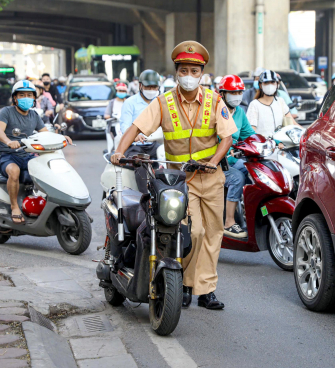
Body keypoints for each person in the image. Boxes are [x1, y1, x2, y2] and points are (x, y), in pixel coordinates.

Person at [112, 40, 237, 310]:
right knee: (194, 232)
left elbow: (227, 137)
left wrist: (214, 162)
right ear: (176, 72)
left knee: (214, 233)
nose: (189, 76)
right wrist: (119, 150)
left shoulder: (215, 101)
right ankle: (186, 284)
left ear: (201, 73)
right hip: (180, 181)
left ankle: (205, 291)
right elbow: (135, 127)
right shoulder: (163, 102)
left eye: (194, 71)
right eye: (184, 70)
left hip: (212, 178)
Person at [0, 80, 72, 224]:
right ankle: (15, 206)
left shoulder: (34, 115)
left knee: (46, 169)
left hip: (27, 155)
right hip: (7, 156)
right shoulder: (6, 112)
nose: (26, 98)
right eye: (22, 95)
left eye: (29, 95)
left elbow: (45, 133)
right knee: (14, 171)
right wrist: (9, 142)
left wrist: (61, 137)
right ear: (15, 98)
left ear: (34, 98)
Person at [217, 75, 255, 238]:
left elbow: (249, 135)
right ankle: (229, 222)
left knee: (252, 171)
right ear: (223, 94)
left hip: (232, 161)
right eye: (233, 93)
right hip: (215, 162)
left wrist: (266, 141)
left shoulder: (239, 112)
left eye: (240, 92)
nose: (237, 96)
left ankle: (247, 213)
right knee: (237, 177)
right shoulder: (216, 110)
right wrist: (229, 145)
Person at [246, 70, 298, 145]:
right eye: (266, 83)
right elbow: (252, 132)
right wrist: (270, 141)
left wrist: (306, 132)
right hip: (263, 149)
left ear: (277, 84)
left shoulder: (281, 101)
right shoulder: (254, 105)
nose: (269, 85)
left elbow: (293, 124)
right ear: (260, 85)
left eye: (272, 82)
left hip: (282, 148)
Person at [104, 82, 128, 153]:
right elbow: (106, 115)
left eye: (123, 91)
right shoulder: (112, 103)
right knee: (116, 139)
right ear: (116, 91)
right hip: (114, 126)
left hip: (126, 126)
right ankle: (111, 152)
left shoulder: (128, 102)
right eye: (120, 91)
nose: (121, 92)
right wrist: (114, 117)